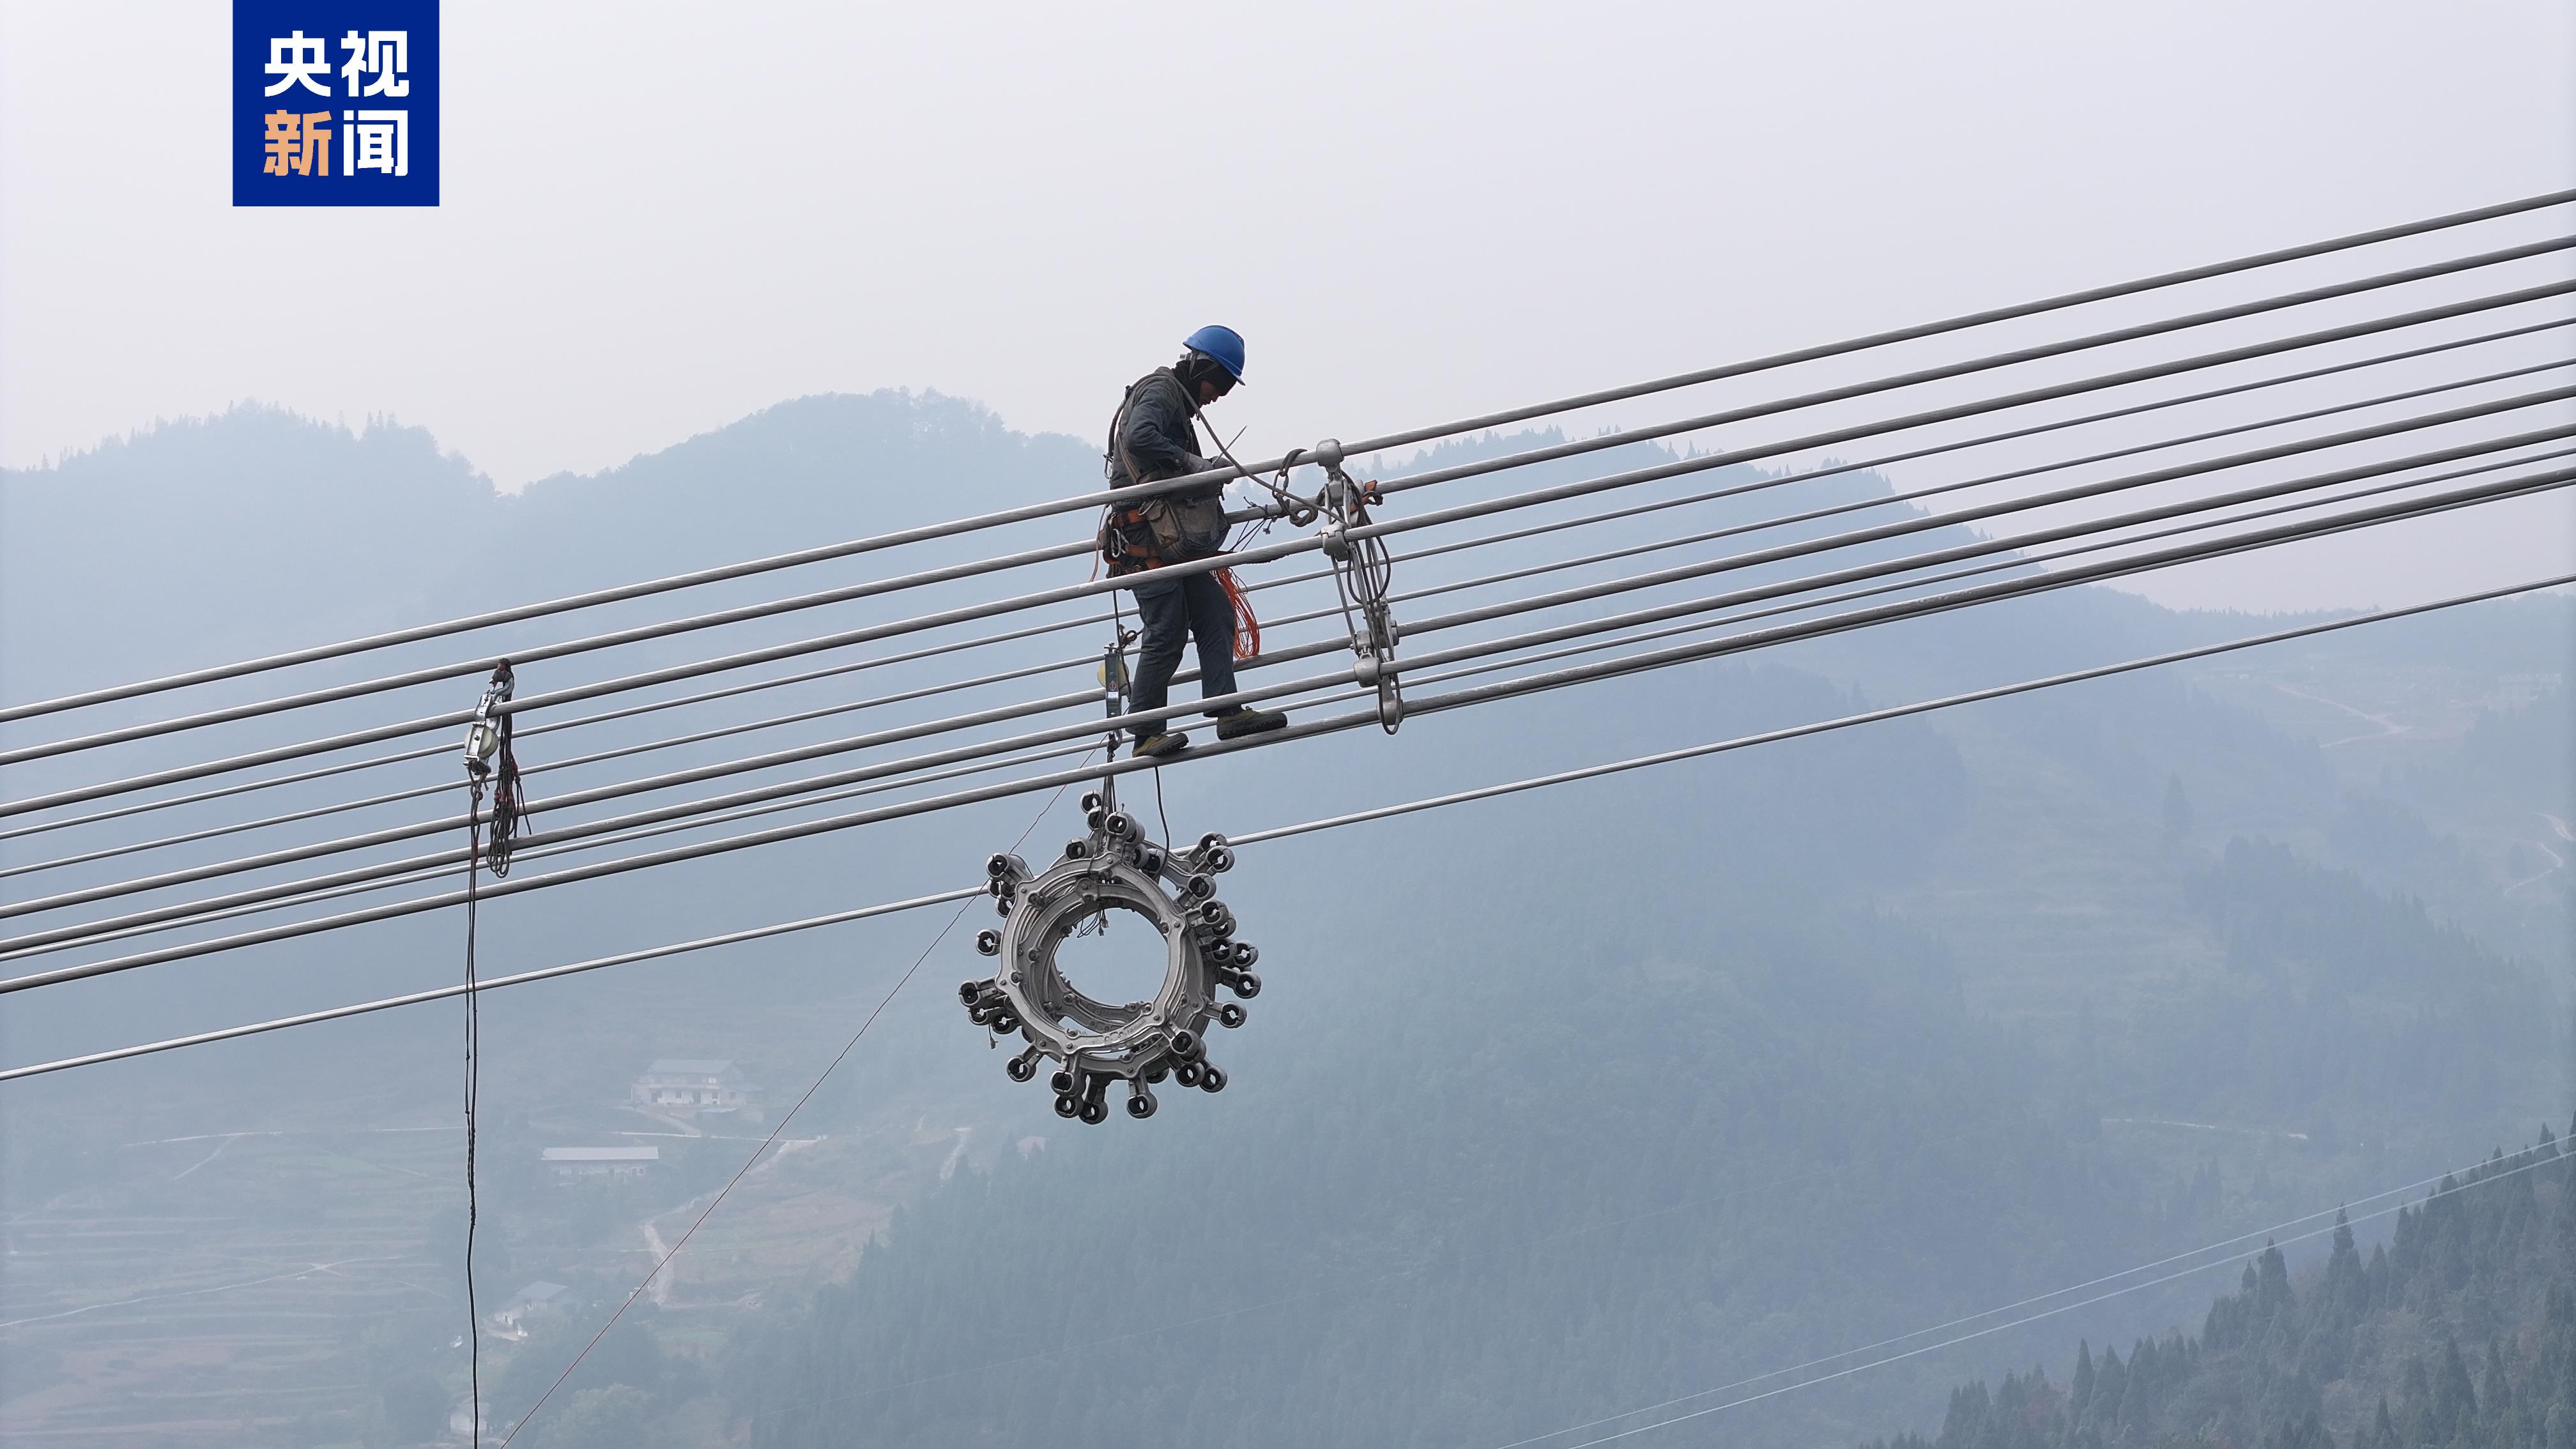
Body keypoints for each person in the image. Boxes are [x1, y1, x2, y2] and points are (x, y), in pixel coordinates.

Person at [1101, 324, 1289, 758]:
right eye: (1218, 383)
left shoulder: (1179, 403)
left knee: (1214, 612)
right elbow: (1138, 437)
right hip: (1144, 537)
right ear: (1201, 367)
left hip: (1170, 537)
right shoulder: (1163, 392)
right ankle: (1146, 733)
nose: (1218, 395)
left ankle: (1227, 711)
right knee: (1166, 630)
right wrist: (1192, 463)